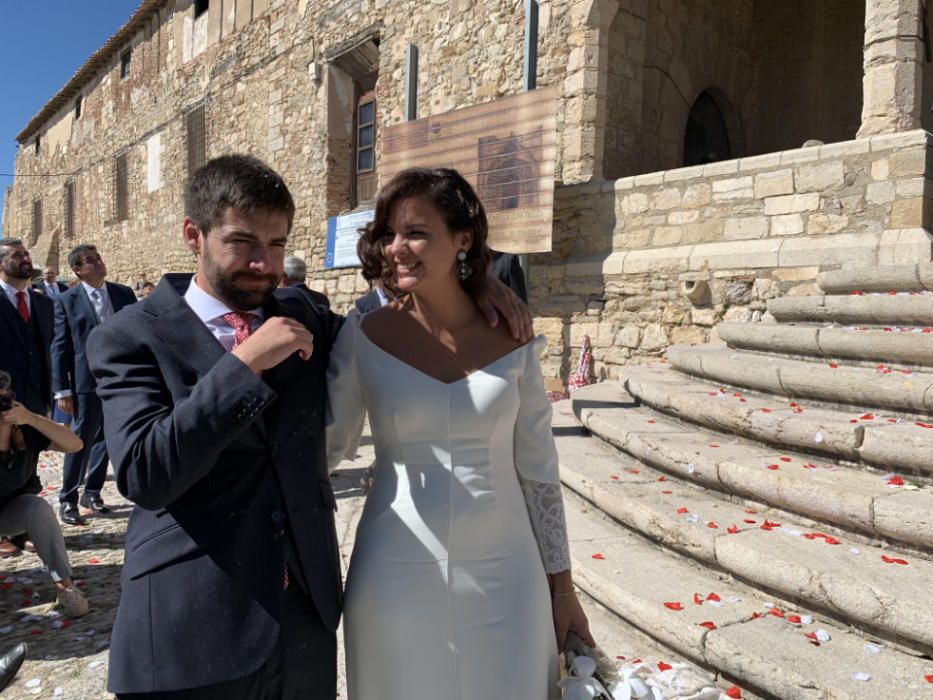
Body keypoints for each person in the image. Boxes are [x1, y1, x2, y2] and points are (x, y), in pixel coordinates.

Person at [86, 154, 530, 698]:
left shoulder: (304, 312)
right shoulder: (129, 336)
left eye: (276, 245)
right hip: (192, 625)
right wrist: (242, 365)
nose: (263, 263)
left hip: (305, 624)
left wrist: (476, 286)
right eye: (243, 242)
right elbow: (144, 472)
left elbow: (398, 337)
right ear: (192, 235)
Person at [326, 167, 592, 700]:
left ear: (463, 238)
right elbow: (325, 446)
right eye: (389, 234)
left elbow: (539, 469)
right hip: (395, 566)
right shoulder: (363, 335)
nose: (398, 248)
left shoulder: (514, 336)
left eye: (417, 233)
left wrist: (562, 588)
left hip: (508, 571)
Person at [51, 245, 136, 525]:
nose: (98, 263)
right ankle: (68, 498)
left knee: (110, 436)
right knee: (81, 439)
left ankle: (93, 492)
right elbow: (60, 347)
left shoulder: (123, 293)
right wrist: (62, 389)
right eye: (90, 261)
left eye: (98, 258)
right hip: (86, 380)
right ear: (78, 269)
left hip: (121, 376)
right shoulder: (68, 300)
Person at [0, 370, 89, 618]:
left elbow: (75, 444)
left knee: (37, 508)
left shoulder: (24, 430)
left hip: (10, 511)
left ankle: (65, 587)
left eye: (6, 400)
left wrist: (31, 418)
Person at [0, 239, 54, 558]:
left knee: (29, 461)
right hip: (3, 399)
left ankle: (21, 528)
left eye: (26, 254)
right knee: (3, 464)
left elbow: (48, 348)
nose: (25, 259)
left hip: (35, 396)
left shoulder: (42, 303)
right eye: (16, 255)